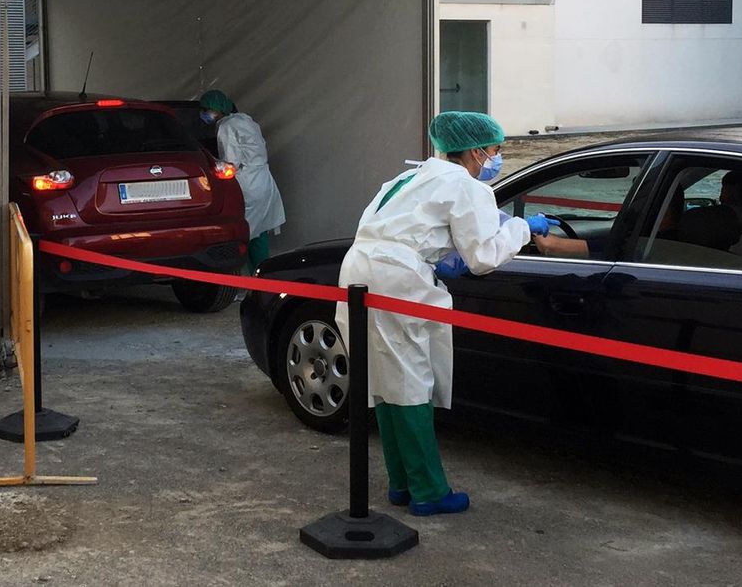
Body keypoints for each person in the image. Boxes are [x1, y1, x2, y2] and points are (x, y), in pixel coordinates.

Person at [336, 111, 553, 516]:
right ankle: (429, 492)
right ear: (475, 151)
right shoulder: (467, 185)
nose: (496, 158)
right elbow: (484, 256)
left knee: (384, 379)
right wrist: (525, 228)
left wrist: (437, 256)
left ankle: (402, 484)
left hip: (359, 269)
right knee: (411, 381)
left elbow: (421, 228)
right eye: (495, 150)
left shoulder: (411, 176)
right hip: (397, 278)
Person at [199, 89, 284, 269]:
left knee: (244, 233)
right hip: (263, 181)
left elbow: (231, 163)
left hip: (247, 184)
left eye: (206, 110)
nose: (204, 114)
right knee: (259, 231)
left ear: (217, 109)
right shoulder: (245, 119)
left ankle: (252, 277)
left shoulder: (226, 127)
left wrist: (211, 166)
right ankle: (263, 274)